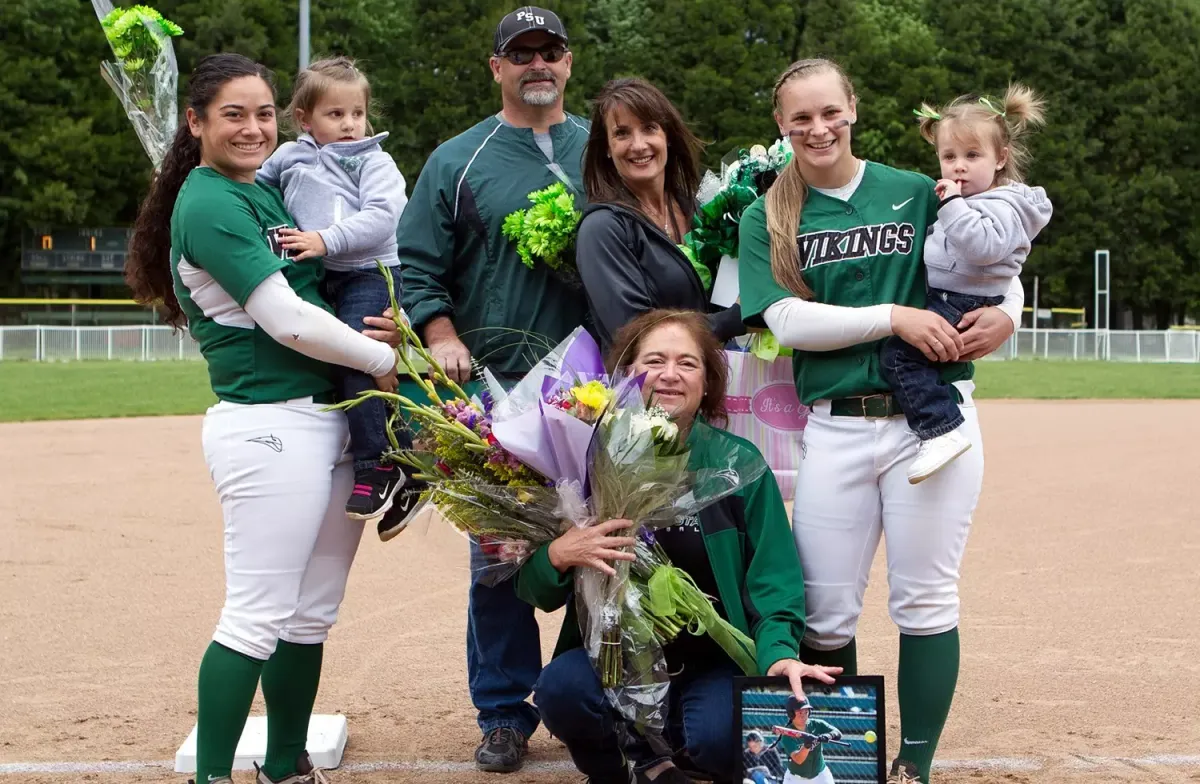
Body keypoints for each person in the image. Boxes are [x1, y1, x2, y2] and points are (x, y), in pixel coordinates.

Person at [736, 59, 1026, 784]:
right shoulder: (767, 212)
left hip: (932, 424)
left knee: (924, 598)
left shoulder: (911, 189)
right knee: (826, 613)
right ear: (781, 126)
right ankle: (842, 763)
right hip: (834, 425)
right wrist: (894, 316)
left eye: (830, 111)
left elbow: (995, 254)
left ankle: (913, 766)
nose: (817, 128)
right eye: (800, 117)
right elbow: (787, 320)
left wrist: (1009, 316)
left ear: (854, 108)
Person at [124, 53, 401, 784]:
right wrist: (379, 363)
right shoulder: (211, 199)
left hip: (326, 421)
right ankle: (211, 776)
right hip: (270, 425)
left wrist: (385, 335)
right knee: (256, 616)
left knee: (309, 617)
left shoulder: (258, 191)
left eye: (265, 113)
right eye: (234, 114)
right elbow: (286, 320)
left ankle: (284, 764)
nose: (254, 127)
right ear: (196, 123)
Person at [517, 309, 841, 784]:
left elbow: (775, 580)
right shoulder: (584, 459)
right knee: (562, 691)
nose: (670, 374)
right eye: (654, 360)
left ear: (708, 382)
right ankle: (623, 770)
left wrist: (776, 652)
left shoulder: (738, 465)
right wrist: (558, 554)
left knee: (722, 738)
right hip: (613, 659)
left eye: (688, 364)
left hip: (712, 662)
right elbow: (534, 591)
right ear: (626, 374)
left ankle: (674, 747)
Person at [396, 6, 591, 771]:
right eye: (522, 53)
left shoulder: (604, 145)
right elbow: (418, 266)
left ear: (568, 62)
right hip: (498, 392)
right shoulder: (458, 159)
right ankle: (504, 711)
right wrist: (441, 335)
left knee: (607, 547)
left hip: (597, 387)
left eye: (550, 51)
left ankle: (597, 699)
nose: (537, 64)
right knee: (502, 560)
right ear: (497, 67)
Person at [256, 55, 425, 534]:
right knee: (330, 361)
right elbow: (254, 192)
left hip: (371, 273)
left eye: (357, 113)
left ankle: (379, 465)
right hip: (323, 276)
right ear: (305, 120)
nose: (351, 125)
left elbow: (383, 217)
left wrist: (323, 240)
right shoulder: (288, 156)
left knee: (357, 355)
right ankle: (411, 469)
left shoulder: (373, 159)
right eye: (336, 115)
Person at [880, 85, 1052, 483]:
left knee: (899, 357)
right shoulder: (969, 199)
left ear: (1000, 159)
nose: (959, 166)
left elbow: (982, 247)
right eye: (949, 156)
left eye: (972, 156)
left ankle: (941, 430)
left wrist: (953, 204)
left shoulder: (1004, 204)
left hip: (960, 301)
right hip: (950, 294)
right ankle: (938, 425)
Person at [575, 78, 745, 351]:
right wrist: (731, 321)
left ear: (667, 135)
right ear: (606, 147)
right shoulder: (602, 229)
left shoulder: (700, 208)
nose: (639, 145)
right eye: (622, 134)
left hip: (722, 379)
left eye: (649, 128)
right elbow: (634, 332)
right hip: (651, 389)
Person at [775, 696, 842, 784]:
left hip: (820, 775)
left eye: (806, 712)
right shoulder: (787, 734)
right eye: (799, 712)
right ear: (791, 714)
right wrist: (807, 745)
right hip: (796, 779)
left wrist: (828, 735)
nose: (803, 716)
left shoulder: (816, 724)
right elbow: (798, 760)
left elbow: (838, 733)